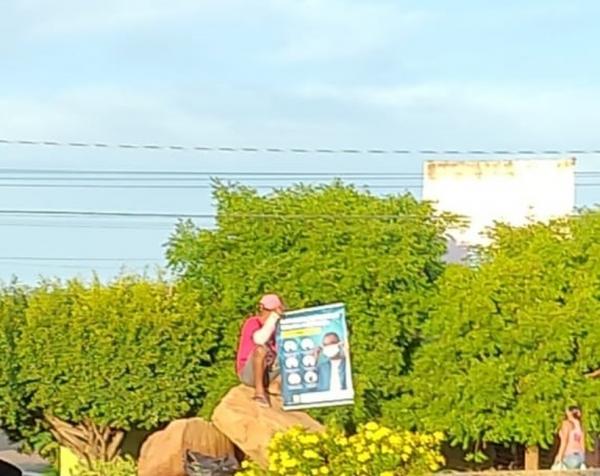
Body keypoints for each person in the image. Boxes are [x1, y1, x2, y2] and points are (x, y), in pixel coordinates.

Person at [236, 294, 284, 407]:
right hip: (249, 372)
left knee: (291, 351)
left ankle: (276, 385)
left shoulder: (280, 327)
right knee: (260, 350)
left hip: (269, 371)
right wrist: (273, 320)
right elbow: (260, 339)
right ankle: (259, 393)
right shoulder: (253, 323)